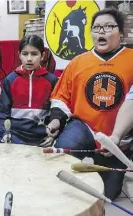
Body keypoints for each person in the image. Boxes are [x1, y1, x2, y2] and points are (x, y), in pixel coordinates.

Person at [45, 8, 133, 200]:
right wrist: (56, 120)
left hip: (118, 136)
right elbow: (61, 98)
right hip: (83, 126)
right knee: (64, 152)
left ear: (122, 34)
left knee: (107, 193)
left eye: (108, 26)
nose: (101, 31)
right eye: (96, 27)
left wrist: (117, 137)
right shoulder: (77, 62)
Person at [0, 35, 58, 145]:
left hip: (40, 138)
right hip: (13, 134)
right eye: (25, 54)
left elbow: (57, 114)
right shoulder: (10, 80)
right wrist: (4, 133)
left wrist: (53, 136)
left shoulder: (52, 81)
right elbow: (2, 113)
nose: (29, 59)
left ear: (42, 56)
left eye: (34, 54)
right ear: (19, 55)